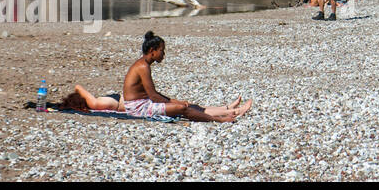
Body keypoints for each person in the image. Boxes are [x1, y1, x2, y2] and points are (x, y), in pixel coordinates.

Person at [122, 31, 253, 121]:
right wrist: (175, 102)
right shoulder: (142, 67)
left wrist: (173, 101)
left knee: (189, 105)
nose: (163, 54)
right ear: (152, 51)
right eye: (161, 50)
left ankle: (229, 109)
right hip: (138, 108)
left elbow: (153, 95)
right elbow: (153, 96)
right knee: (182, 108)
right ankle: (220, 119)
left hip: (144, 103)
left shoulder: (143, 64)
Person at [58, 84, 247, 119]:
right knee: (187, 108)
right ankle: (229, 112)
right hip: (142, 105)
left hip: (139, 101)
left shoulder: (96, 103)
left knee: (189, 106)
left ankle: (226, 108)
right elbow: (78, 86)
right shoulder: (95, 104)